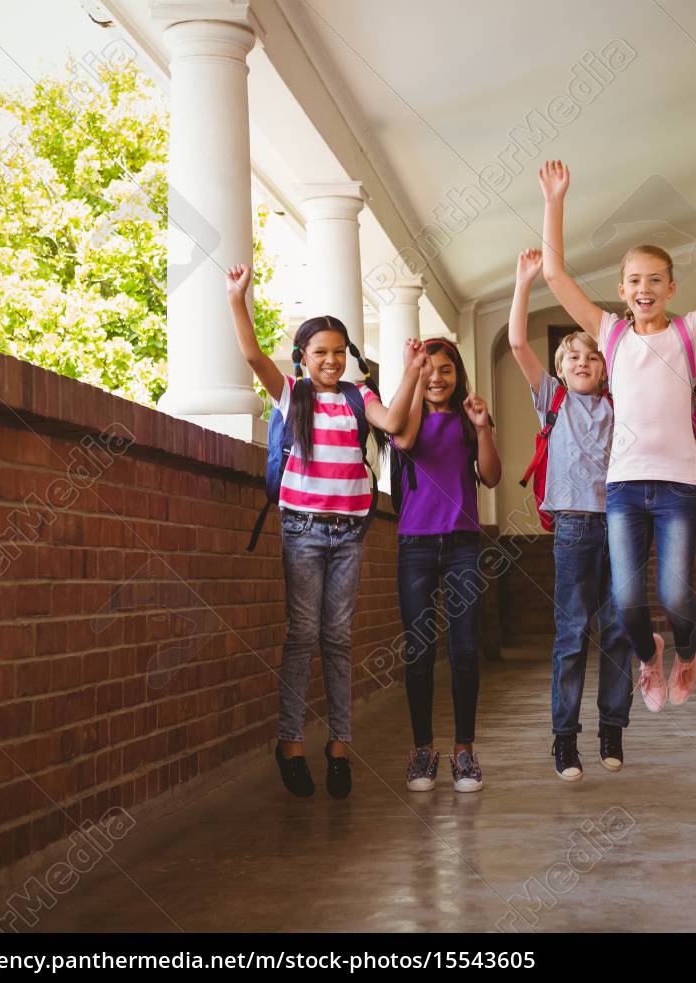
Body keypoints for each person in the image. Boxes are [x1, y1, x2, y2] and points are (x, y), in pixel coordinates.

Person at [538, 156, 696, 711]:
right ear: (622, 288)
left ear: (670, 288)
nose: (645, 288)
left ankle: (686, 651)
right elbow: (554, 277)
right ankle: (649, 656)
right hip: (623, 488)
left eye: (655, 280)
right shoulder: (611, 335)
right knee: (626, 600)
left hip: (679, 487)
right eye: (634, 280)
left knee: (675, 594)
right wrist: (555, 202)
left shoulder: (689, 333)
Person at [226, 263, 427, 799]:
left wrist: (410, 370)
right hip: (303, 530)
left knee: (338, 639)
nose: (331, 361)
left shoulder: (360, 399)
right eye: (320, 353)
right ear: (303, 357)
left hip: (350, 533)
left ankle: (340, 745)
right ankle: (290, 742)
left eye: (339, 352)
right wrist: (237, 299)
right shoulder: (293, 394)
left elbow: (393, 425)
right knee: (302, 636)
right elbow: (251, 356)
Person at [507, 247, 633, 781]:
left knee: (620, 628)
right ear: (559, 369)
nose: (582, 363)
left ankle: (612, 728)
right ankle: (565, 741)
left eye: (592, 356)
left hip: (621, 523)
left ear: (605, 366)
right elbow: (516, 341)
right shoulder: (552, 400)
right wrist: (524, 281)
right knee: (572, 632)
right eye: (573, 357)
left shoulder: (616, 402)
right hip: (574, 528)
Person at [392, 339, 502, 792]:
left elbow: (491, 476)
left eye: (446, 370)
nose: (437, 377)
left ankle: (464, 750)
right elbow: (405, 438)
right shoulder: (406, 416)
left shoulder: (467, 420)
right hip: (415, 545)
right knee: (418, 652)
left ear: (458, 375)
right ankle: (422, 749)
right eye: (428, 369)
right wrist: (411, 375)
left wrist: (483, 429)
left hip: (461, 545)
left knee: (463, 650)